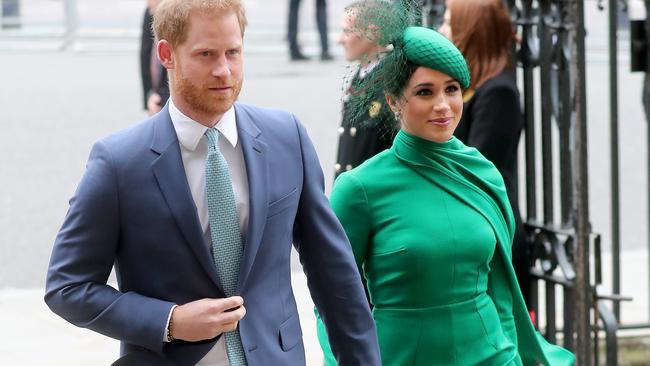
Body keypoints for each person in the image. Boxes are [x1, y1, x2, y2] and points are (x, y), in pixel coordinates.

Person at [44, 1, 381, 365]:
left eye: (233, 52)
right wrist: (169, 322)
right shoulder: (118, 162)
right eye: (206, 54)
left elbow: (335, 275)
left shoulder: (287, 138)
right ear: (166, 54)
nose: (224, 70)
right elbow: (67, 286)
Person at [316, 21, 575, 366]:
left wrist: (513, 355)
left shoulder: (482, 173)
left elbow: (501, 288)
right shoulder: (360, 188)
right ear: (394, 101)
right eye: (425, 92)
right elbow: (331, 301)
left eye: (451, 90)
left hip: (491, 357)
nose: (443, 105)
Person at [439, 0, 533, 311]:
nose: (441, 29)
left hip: (491, 236)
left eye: (450, 21)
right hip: (467, 230)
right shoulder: (469, 86)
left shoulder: (498, 92)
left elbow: (474, 168)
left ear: (470, 31)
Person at [333, 0, 400, 179]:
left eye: (347, 31)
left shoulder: (391, 83)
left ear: (372, 33)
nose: (339, 40)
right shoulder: (362, 75)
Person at [140, 0, 169, 115]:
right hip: (155, 100)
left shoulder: (182, 13)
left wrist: (162, 99)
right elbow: (145, 56)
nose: (147, 3)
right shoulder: (149, 12)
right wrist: (149, 95)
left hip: (170, 100)